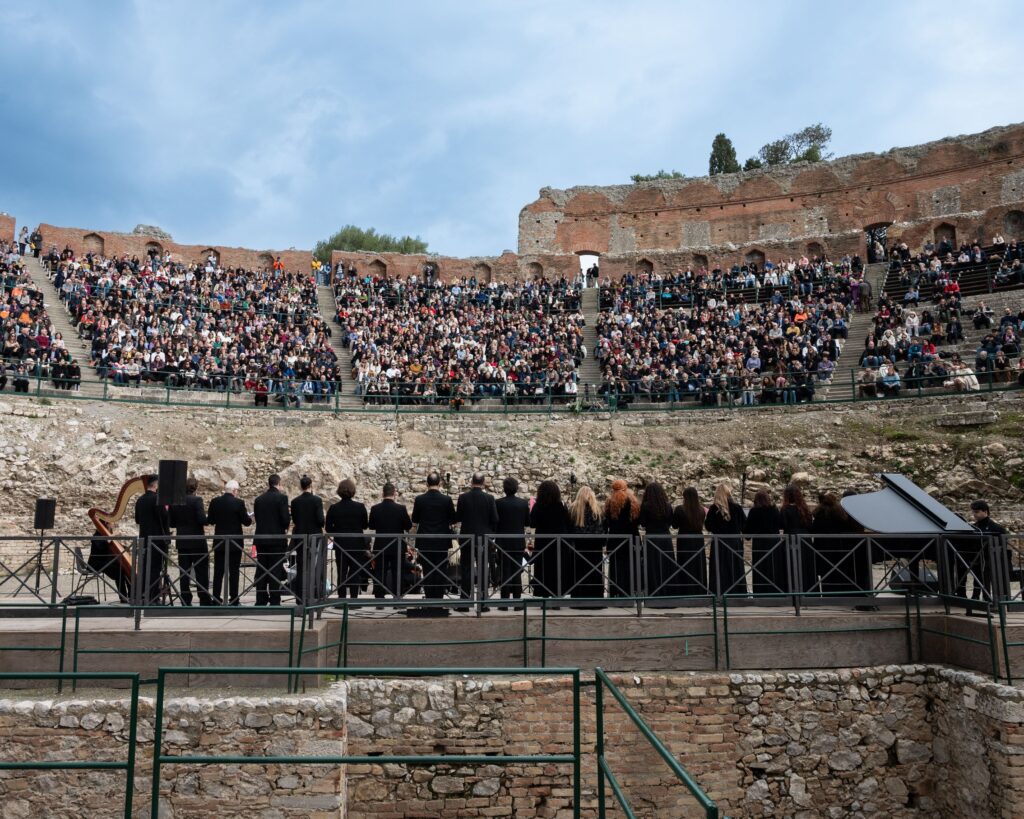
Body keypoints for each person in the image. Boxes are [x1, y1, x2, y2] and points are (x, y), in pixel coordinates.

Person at [810, 493, 870, 594]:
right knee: (838, 571)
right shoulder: (839, 514)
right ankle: (839, 592)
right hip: (838, 546)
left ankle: (827, 592)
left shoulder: (819, 513)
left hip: (822, 546)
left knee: (825, 572)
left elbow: (814, 529)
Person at [411, 472, 456, 600]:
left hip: (425, 541)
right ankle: (439, 597)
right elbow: (453, 519)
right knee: (441, 569)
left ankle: (430, 596)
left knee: (427, 569)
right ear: (440, 484)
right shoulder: (446, 500)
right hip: (442, 541)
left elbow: (415, 519)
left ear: (427, 484)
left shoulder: (420, 499)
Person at [455, 473, 499, 603]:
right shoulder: (489, 498)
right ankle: (483, 601)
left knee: (466, 569)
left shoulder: (463, 498)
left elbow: (458, 518)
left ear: (471, 482)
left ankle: (465, 601)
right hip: (483, 539)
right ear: (483, 482)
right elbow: (495, 519)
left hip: (467, 539)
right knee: (483, 570)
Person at [207, 480, 252, 605]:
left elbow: (210, 520)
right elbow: (246, 522)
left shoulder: (215, 502)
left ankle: (216, 598)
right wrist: (249, 517)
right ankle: (234, 598)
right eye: (237, 491)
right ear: (234, 490)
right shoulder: (239, 503)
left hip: (220, 542)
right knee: (234, 571)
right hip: (235, 543)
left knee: (218, 571)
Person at [325, 479, 369, 599]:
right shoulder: (360, 507)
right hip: (356, 544)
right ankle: (354, 598)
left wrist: (338, 532)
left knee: (342, 572)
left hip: (340, 544)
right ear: (353, 491)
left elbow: (328, 528)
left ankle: (341, 598)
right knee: (355, 572)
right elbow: (365, 525)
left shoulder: (334, 508)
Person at [171, 476, 212, 606]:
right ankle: (204, 598)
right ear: (195, 487)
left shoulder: (176, 502)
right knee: (201, 571)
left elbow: (171, 523)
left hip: (182, 541)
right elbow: (201, 520)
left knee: (184, 571)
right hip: (197, 541)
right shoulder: (197, 500)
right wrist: (209, 518)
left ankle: (185, 598)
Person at [367, 483, 412, 599]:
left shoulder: (375, 508)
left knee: (380, 572)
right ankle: (397, 598)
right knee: (398, 572)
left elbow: (371, 526)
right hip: (397, 546)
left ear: (382, 494)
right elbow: (408, 526)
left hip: (381, 546)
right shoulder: (401, 509)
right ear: (394, 494)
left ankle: (379, 598)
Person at [529, 480, 572, 597]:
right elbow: (568, 523)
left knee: (544, 569)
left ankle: (544, 595)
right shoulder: (561, 505)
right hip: (559, 543)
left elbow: (532, 523)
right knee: (558, 569)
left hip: (543, 543)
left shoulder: (538, 506)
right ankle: (557, 595)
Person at [253, 474, 290, 606]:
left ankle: (260, 599)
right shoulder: (282, 498)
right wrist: (285, 527)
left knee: (262, 569)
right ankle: (275, 599)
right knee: (275, 570)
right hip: (277, 540)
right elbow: (285, 519)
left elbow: (257, 518)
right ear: (278, 484)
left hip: (261, 539)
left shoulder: (259, 499)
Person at [134, 474, 169, 604]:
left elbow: (137, 520)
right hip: (157, 539)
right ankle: (153, 596)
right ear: (156, 485)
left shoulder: (140, 500)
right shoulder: (157, 499)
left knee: (144, 567)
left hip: (144, 538)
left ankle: (142, 595)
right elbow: (164, 516)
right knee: (155, 568)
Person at [704, 483, 745, 595]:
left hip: (719, 544)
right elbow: (744, 526)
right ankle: (737, 593)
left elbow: (708, 526)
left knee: (719, 569)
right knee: (735, 568)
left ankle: (718, 593)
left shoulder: (713, 509)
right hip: (735, 543)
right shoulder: (737, 508)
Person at [290, 475, 325, 604]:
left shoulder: (294, 502)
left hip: (300, 538)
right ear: (311, 485)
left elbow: (295, 520)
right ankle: (315, 595)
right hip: (315, 538)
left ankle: (299, 598)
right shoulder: (317, 500)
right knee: (315, 568)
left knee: (301, 568)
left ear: (301, 486)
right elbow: (321, 520)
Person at [495, 477, 530, 604]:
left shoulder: (498, 503)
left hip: (503, 542)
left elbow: (496, 522)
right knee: (517, 571)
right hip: (518, 542)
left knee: (505, 571)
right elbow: (527, 522)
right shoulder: (523, 503)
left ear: (504, 489)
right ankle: (517, 601)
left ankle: (504, 602)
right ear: (516, 488)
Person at [604, 479, 640, 597]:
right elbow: (636, 522)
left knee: (615, 566)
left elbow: (607, 522)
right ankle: (630, 592)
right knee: (630, 565)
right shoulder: (632, 501)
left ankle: (615, 592)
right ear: (626, 488)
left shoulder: (610, 502)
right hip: (631, 538)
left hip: (615, 539)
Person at [744, 490, 784, 594]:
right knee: (774, 568)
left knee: (760, 570)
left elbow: (747, 534)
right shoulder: (774, 510)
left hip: (759, 545)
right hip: (774, 543)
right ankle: (776, 592)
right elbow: (780, 525)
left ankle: (760, 592)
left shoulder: (754, 511)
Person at [638, 482, 674, 597]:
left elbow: (642, 523)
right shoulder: (667, 505)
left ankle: (652, 593)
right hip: (665, 538)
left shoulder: (646, 506)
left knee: (652, 567)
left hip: (651, 539)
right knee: (666, 566)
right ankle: (668, 593)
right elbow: (670, 522)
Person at [568, 485, 604, 599]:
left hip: (579, 544)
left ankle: (578, 595)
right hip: (595, 545)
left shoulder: (573, 508)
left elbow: (569, 526)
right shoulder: (598, 509)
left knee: (579, 571)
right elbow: (603, 526)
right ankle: (596, 595)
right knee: (595, 571)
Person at [671, 487, 707, 596]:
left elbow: (674, 525)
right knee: (698, 565)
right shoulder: (701, 510)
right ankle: (699, 590)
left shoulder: (680, 509)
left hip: (684, 540)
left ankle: (684, 590)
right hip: (698, 540)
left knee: (684, 564)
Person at [781, 483, 813, 592]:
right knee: (806, 566)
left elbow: (783, 525)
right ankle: (808, 591)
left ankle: (792, 590)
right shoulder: (804, 508)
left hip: (790, 538)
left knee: (791, 566)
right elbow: (810, 525)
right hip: (805, 539)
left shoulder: (785, 509)